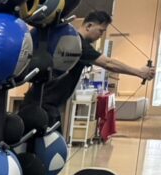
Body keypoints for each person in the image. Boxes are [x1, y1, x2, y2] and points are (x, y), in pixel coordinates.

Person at [24, 10, 155, 125]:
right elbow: (108, 63)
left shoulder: (72, 40)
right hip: (43, 104)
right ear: (89, 26)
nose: (101, 35)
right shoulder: (78, 45)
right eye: (100, 30)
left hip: (44, 102)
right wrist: (139, 72)